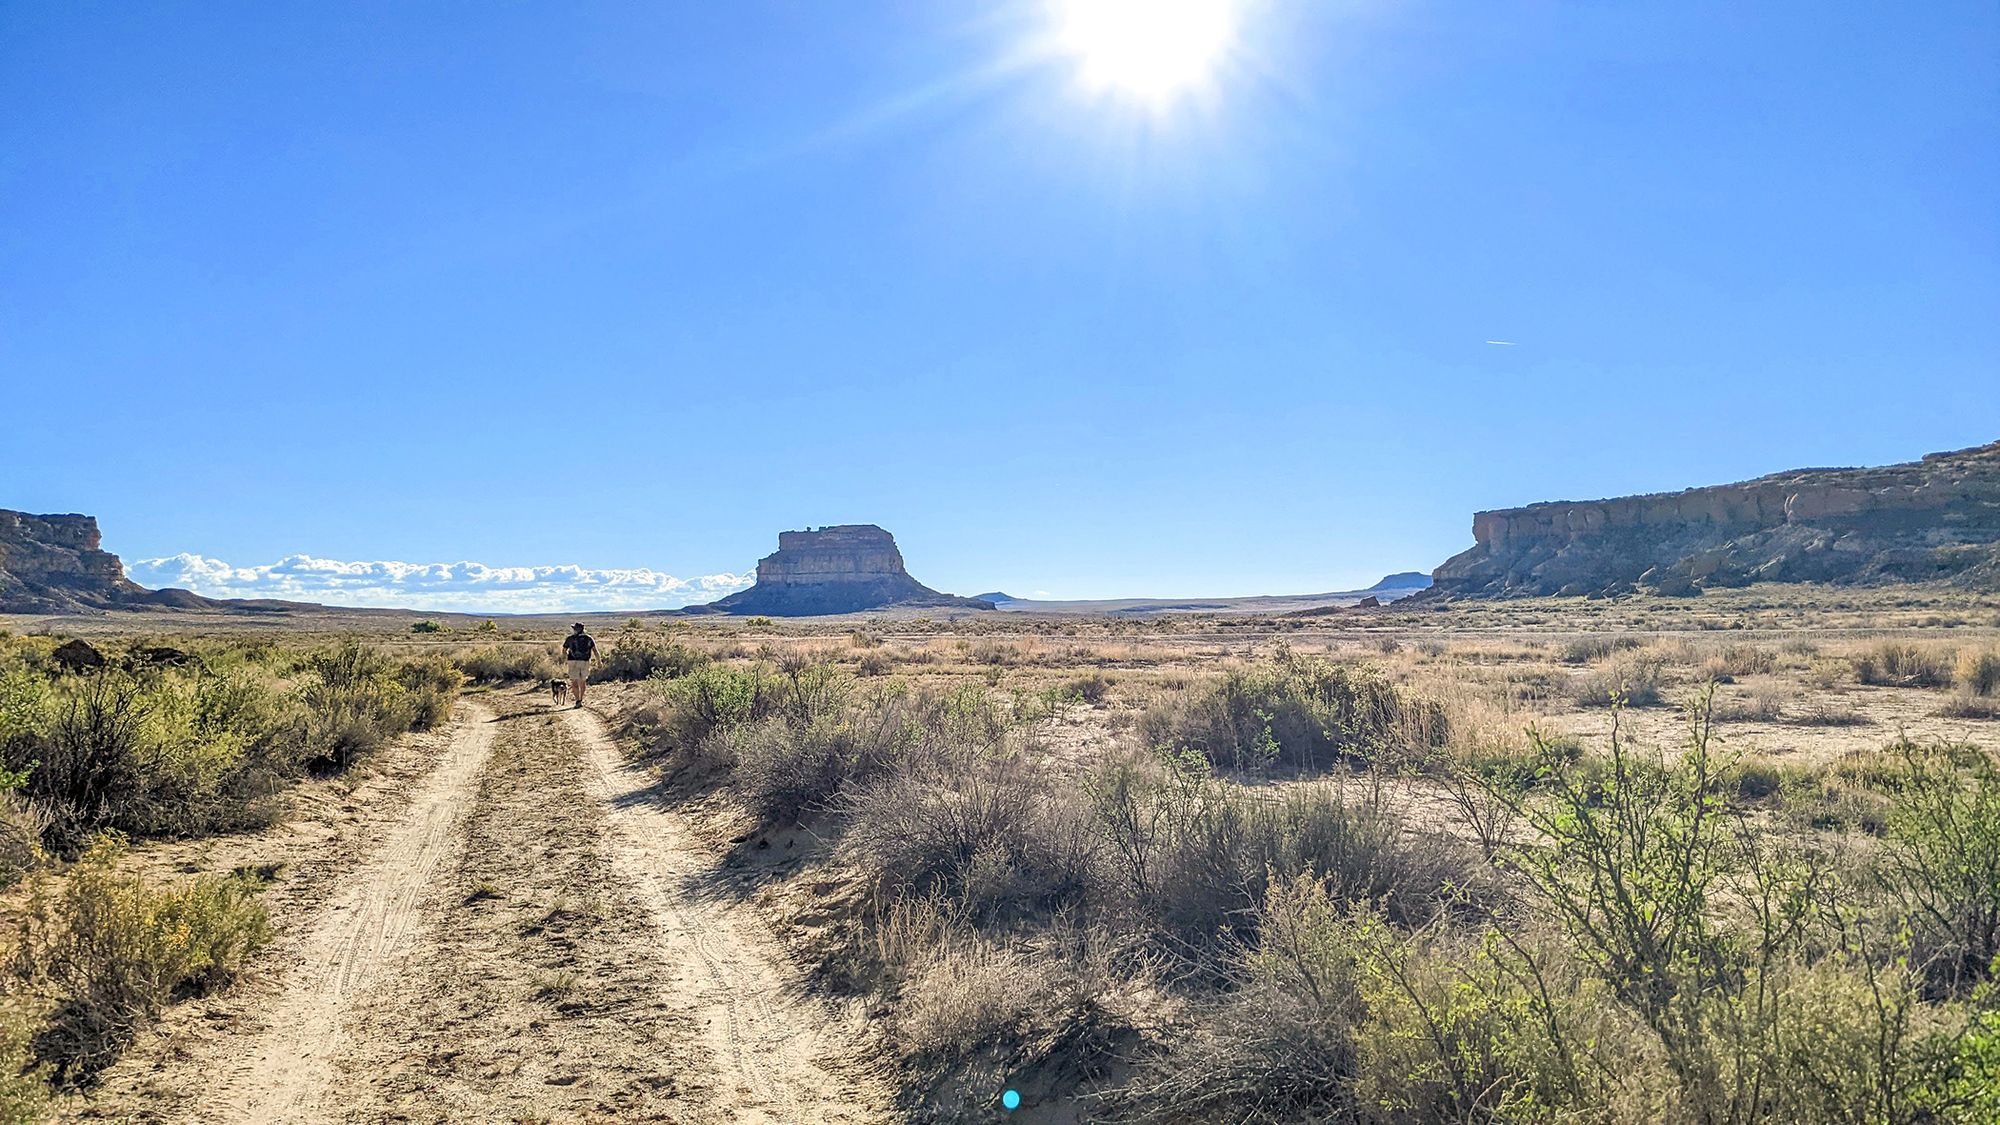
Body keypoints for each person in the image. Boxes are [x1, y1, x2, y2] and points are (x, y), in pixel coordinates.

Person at [562, 622, 595, 708]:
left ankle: (577, 700)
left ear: (575, 630)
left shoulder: (570, 638)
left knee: (574, 682)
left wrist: (564, 659)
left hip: (573, 662)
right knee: (583, 681)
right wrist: (599, 661)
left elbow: (564, 650)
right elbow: (595, 650)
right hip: (585, 662)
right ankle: (581, 699)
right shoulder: (589, 638)